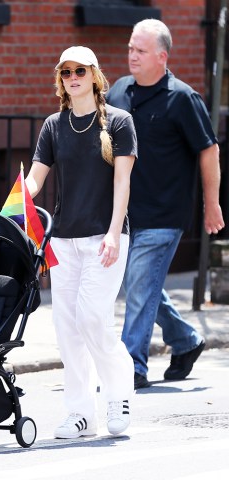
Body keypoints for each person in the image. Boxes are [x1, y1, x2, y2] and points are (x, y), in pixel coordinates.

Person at [106, 19, 225, 390]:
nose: (132, 56)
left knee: (140, 285)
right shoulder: (119, 92)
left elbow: (209, 151)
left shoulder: (183, 99)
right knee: (143, 286)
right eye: (130, 48)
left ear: (162, 56)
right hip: (125, 214)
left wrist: (212, 204)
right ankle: (186, 340)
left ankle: (131, 367)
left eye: (140, 50)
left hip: (165, 215)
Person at [25, 46, 137, 439]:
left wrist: (112, 230)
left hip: (105, 239)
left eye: (79, 71)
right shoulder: (54, 126)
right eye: (66, 72)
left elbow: (122, 181)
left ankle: (119, 393)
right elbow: (37, 178)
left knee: (92, 318)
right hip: (65, 242)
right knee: (66, 326)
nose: (72, 78)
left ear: (94, 75)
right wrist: (24, 192)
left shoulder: (119, 122)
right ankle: (80, 413)